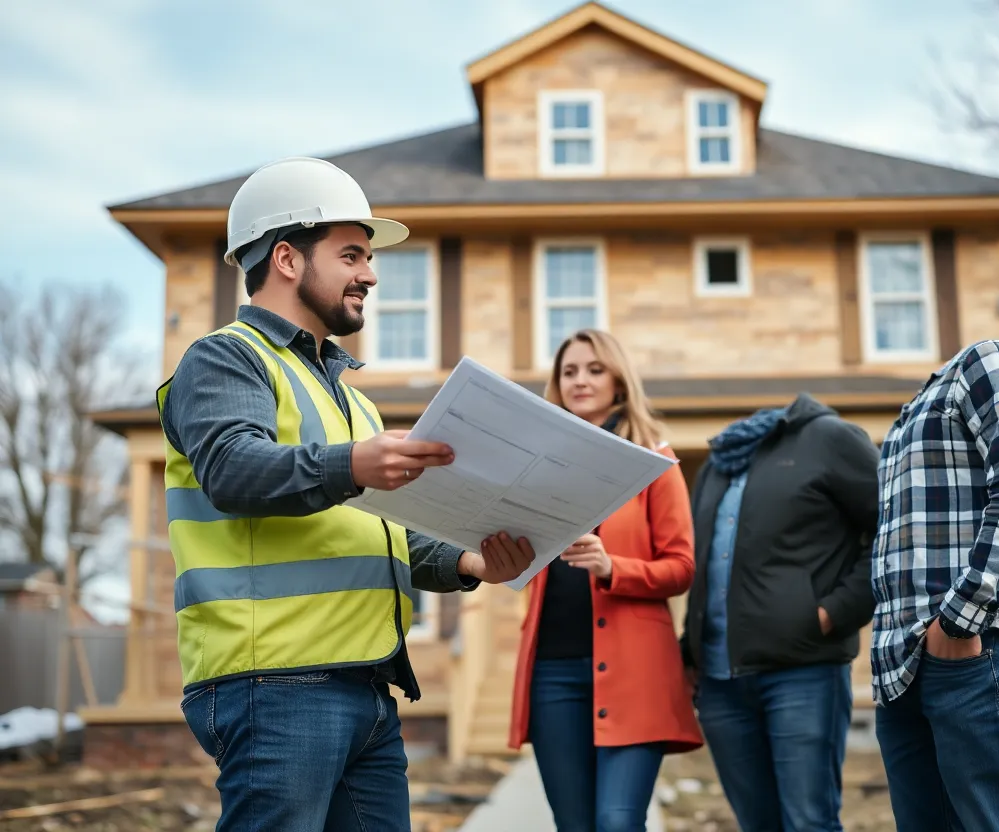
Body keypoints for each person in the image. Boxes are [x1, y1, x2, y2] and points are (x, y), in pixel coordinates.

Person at [157, 156, 535, 832]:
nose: (370, 273)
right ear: (287, 259)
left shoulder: (350, 403)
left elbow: (379, 532)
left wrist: (472, 562)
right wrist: (355, 464)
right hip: (274, 682)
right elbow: (232, 469)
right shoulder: (225, 358)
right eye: (352, 253)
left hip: (365, 685)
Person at [507, 328, 702, 832]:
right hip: (552, 672)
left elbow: (681, 567)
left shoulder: (654, 460)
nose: (580, 381)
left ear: (619, 380)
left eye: (594, 369)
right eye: (569, 372)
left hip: (636, 668)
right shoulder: (536, 466)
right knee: (574, 825)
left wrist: (614, 567)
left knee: (618, 822)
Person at [870, 339, 999, 831]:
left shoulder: (987, 361)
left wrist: (959, 621)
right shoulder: (910, 413)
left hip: (975, 651)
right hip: (903, 669)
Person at [679, 393, 879, 832]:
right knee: (757, 824)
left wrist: (833, 612)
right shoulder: (718, 462)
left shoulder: (828, 438)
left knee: (809, 822)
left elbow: (891, 530)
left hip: (803, 672)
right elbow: (706, 563)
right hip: (719, 684)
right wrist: (689, 651)